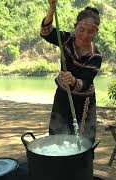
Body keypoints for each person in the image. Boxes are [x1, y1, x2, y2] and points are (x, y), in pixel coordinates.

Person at [40, 0, 102, 143]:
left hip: (85, 102)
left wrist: (74, 81)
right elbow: (46, 32)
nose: (85, 35)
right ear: (75, 27)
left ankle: (83, 165)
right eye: (81, 29)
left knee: (84, 141)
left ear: (96, 32)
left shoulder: (96, 56)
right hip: (63, 95)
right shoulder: (66, 40)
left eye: (91, 31)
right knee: (56, 137)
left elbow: (86, 82)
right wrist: (51, 8)